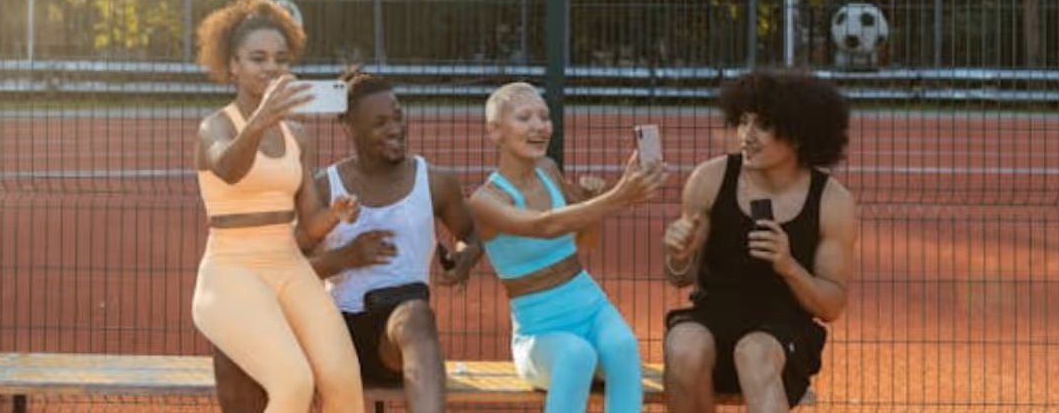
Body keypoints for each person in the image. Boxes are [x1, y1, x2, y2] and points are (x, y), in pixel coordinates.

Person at [213, 69, 485, 413]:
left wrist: (465, 259)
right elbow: (282, 268)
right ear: (350, 129)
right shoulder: (326, 188)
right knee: (238, 338)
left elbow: (472, 235)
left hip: (396, 341)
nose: (395, 129)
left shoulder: (435, 183)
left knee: (418, 315)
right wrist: (346, 257)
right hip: (334, 334)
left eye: (398, 118)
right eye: (380, 123)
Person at [191, 0, 365, 413]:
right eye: (258, 58)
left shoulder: (297, 135)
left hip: (287, 263)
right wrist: (263, 116)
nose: (271, 68)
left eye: (280, 59)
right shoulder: (214, 126)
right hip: (230, 271)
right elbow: (229, 168)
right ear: (233, 65)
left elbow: (309, 223)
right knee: (293, 382)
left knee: (343, 379)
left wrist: (336, 215)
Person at [661, 69, 858, 413]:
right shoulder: (709, 179)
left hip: (784, 333)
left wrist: (789, 266)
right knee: (683, 346)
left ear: (798, 135)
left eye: (762, 126)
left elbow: (831, 306)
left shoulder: (832, 201)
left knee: (754, 352)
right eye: (741, 121)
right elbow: (681, 277)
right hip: (714, 315)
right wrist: (678, 254)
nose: (746, 136)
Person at [469, 81, 665, 413]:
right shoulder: (486, 200)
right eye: (524, 117)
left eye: (544, 117)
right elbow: (542, 225)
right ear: (495, 132)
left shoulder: (548, 170)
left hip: (592, 307)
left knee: (622, 347)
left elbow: (586, 241)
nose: (539, 126)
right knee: (577, 355)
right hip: (539, 333)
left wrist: (592, 202)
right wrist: (616, 198)